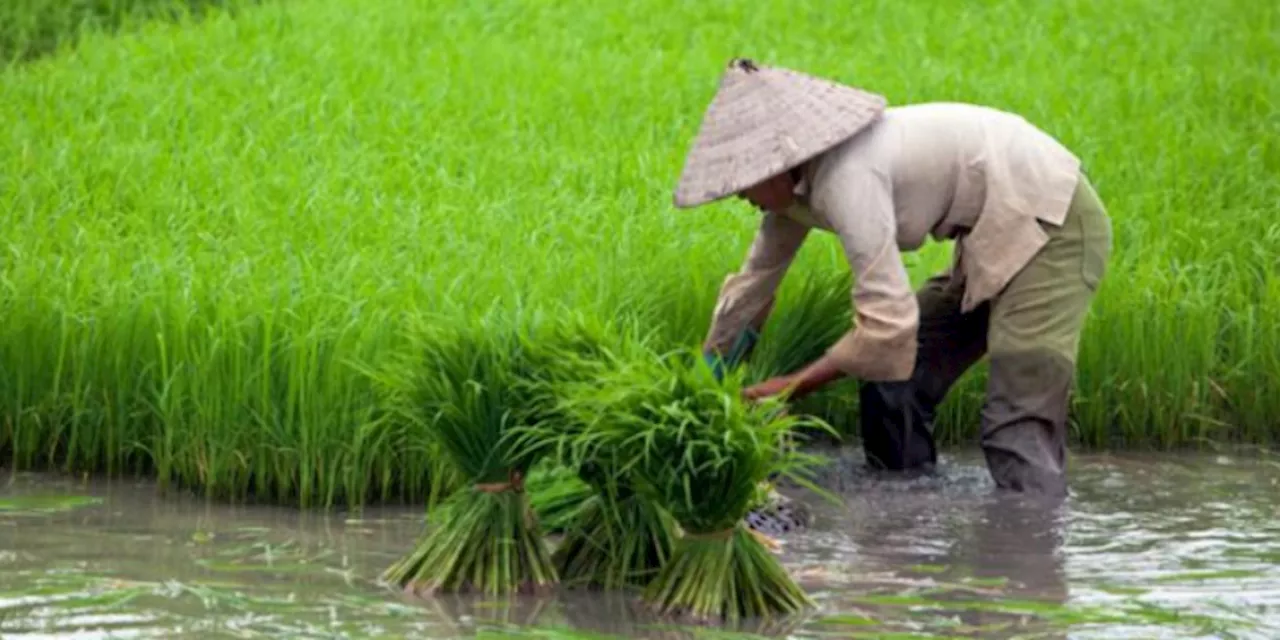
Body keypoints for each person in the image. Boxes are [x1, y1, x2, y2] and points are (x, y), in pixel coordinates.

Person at [674, 58, 1112, 497]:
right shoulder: (790, 195)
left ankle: (1031, 546)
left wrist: (790, 387)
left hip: (1052, 221)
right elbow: (754, 287)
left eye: (744, 182)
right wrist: (707, 382)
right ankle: (907, 521)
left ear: (776, 163)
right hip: (993, 231)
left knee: (1015, 422)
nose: (740, 195)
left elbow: (888, 325)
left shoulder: (849, 178)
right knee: (896, 382)